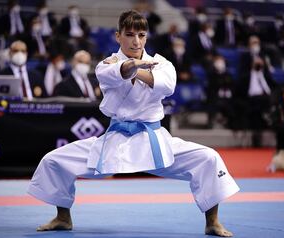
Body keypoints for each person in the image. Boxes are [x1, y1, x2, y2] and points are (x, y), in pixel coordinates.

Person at [27, 10, 239, 237]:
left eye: (141, 34)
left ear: (146, 37)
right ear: (118, 36)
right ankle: (62, 217)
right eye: (129, 34)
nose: (136, 40)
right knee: (54, 160)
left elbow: (167, 86)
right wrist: (133, 67)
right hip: (115, 141)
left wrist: (136, 68)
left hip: (153, 140)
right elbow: (121, 71)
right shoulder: (106, 64)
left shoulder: (162, 63)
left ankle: (213, 221)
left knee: (208, 157)